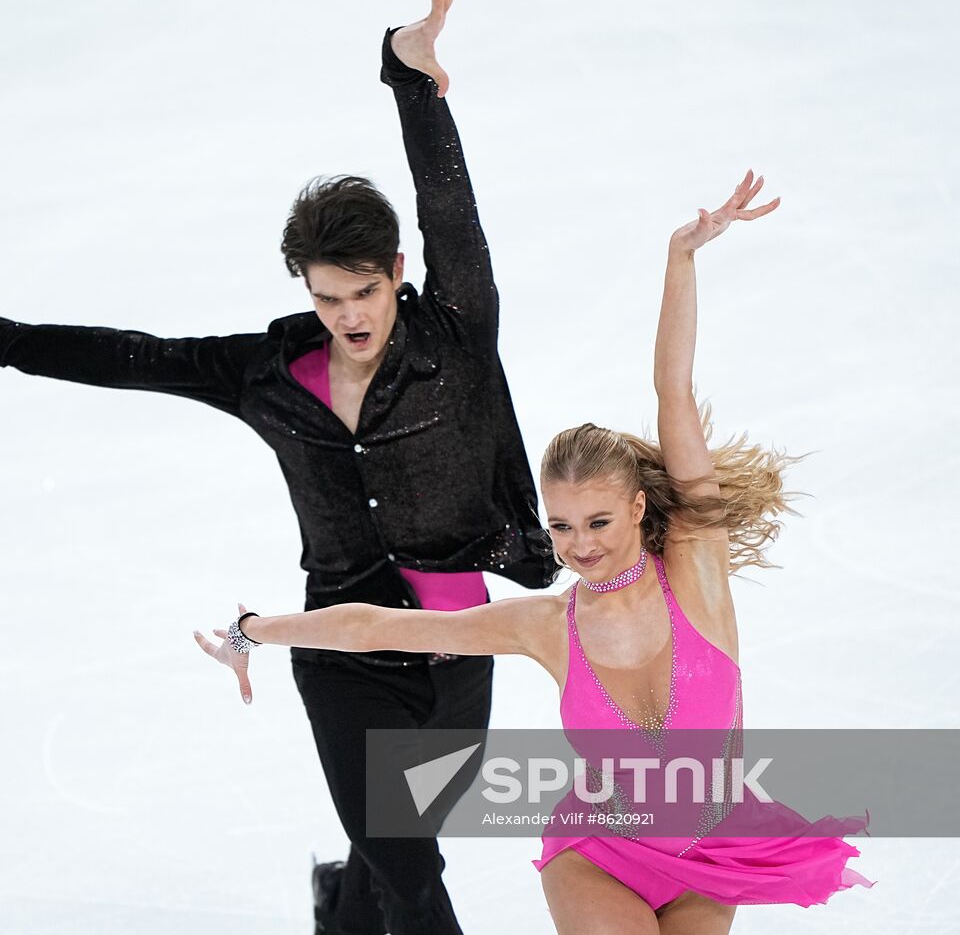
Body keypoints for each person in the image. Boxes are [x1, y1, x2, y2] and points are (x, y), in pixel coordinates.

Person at [0, 0, 556, 935]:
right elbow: (136, 358)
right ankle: (358, 889)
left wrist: (406, 75)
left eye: (364, 295)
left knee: (403, 843)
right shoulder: (267, 374)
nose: (347, 318)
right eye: (325, 298)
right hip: (341, 652)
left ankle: (335, 907)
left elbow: (447, 209)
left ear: (394, 274)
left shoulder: (454, 333)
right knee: (410, 867)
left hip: (460, 645)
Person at [197, 170, 871, 933]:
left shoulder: (697, 573)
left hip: (711, 850)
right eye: (561, 527)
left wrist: (680, 260)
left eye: (598, 523)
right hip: (598, 850)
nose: (578, 547)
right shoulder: (548, 625)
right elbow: (378, 628)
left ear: (641, 508)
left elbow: (674, 394)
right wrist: (257, 629)